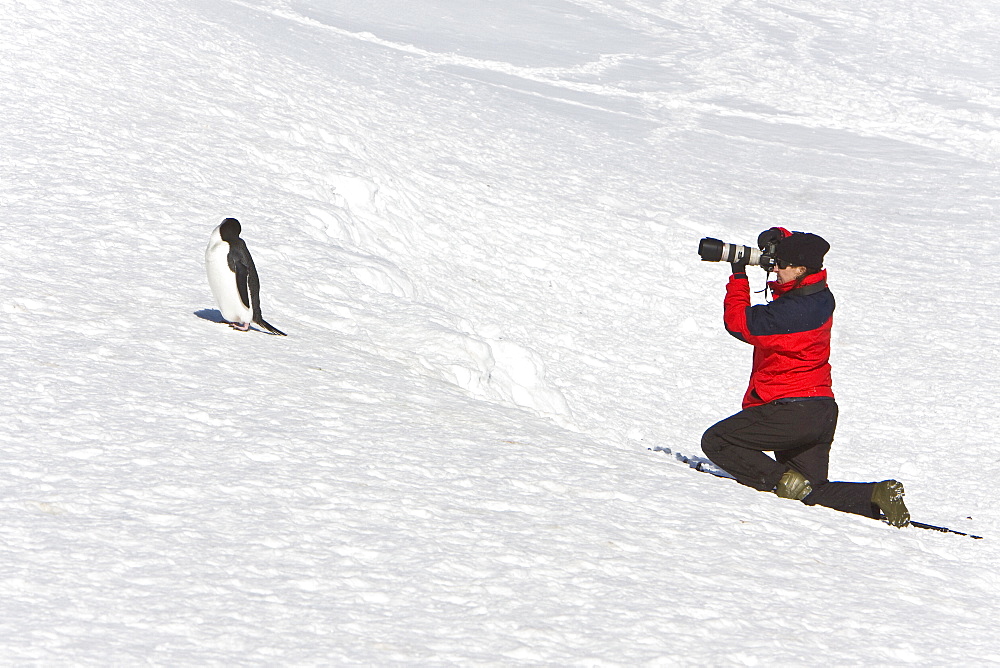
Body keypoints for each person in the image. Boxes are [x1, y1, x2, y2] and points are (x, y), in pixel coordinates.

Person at [700, 228, 910, 527]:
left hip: (791, 410)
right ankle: (876, 495)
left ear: (800, 269)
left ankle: (780, 480)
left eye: (781, 265)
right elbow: (805, 244)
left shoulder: (794, 312)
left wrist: (738, 276)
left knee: (717, 440)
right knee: (811, 490)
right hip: (820, 410)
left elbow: (739, 324)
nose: (775, 269)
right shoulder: (818, 295)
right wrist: (779, 237)